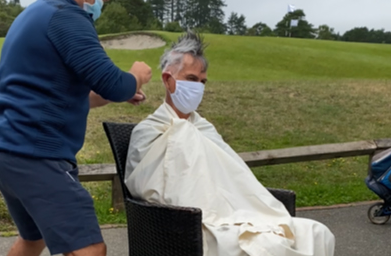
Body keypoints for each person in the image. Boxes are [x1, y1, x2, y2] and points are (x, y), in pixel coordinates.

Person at [125, 31, 335, 256]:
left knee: (316, 232)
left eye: (203, 82)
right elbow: (143, 186)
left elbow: (232, 176)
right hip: (190, 226)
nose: (198, 88)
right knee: (268, 248)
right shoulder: (150, 130)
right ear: (168, 80)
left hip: (238, 215)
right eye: (192, 79)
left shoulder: (204, 129)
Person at [0, 0, 152, 255]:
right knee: (89, 249)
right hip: (38, 153)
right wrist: (136, 76)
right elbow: (114, 84)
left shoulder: (32, 14)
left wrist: (117, 95)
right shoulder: (66, 15)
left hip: (9, 151)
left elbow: (64, 95)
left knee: (33, 240)